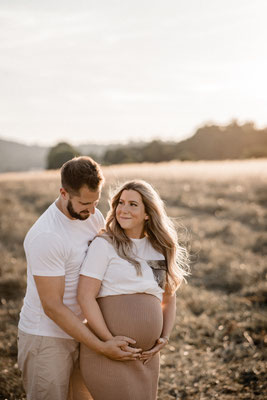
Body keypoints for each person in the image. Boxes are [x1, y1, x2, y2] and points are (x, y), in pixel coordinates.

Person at [17, 156, 140, 400]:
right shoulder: (47, 236)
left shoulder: (91, 216)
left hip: (82, 332)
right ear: (63, 193)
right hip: (47, 339)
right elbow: (52, 306)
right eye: (85, 203)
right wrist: (101, 345)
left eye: (96, 202)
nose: (93, 210)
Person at [78, 179, 189, 400]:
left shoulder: (158, 249)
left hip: (146, 359)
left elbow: (168, 298)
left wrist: (164, 338)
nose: (123, 209)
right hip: (109, 354)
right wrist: (108, 341)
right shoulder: (105, 244)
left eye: (133, 204)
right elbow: (85, 296)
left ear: (148, 213)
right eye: (120, 202)